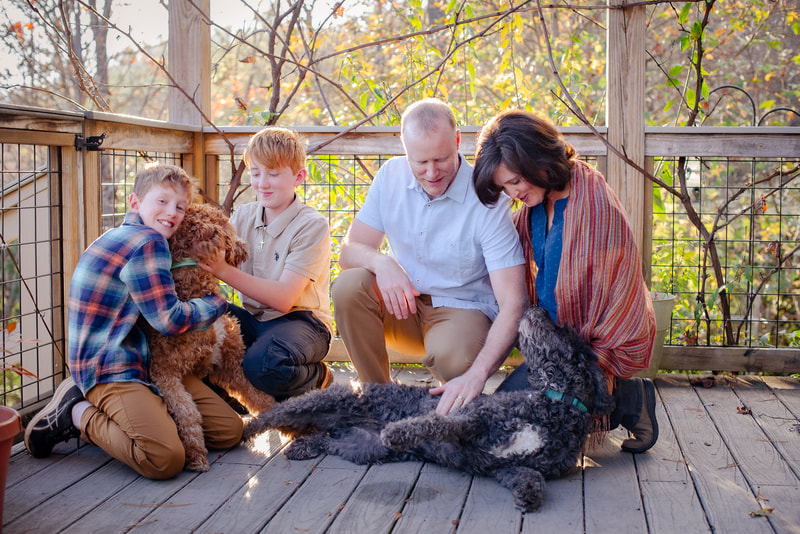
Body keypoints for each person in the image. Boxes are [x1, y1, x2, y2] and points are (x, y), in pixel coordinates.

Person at [24, 164, 241, 478]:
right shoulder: (147, 244)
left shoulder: (128, 235)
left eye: (181, 206)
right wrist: (217, 303)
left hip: (145, 360)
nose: (173, 212)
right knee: (164, 459)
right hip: (109, 366)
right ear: (135, 203)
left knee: (228, 431)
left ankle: (149, 417)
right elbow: (169, 320)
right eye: (162, 202)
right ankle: (74, 412)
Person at [472, 110, 659, 453]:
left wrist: (585, 368)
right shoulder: (535, 204)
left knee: (511, 429)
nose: (512, 193)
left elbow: (618, 300)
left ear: (538, 160)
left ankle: (626, 399)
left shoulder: (594, 207)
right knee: (496, 423)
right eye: (505, 186)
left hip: (588, 354)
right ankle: (623, 399)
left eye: (515, 181)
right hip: (552, 349)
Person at [332, 98, 527, 416]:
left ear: (457, 140)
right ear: (404, 147)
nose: (432, 172)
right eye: (420, 162)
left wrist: (476, 375)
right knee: (348, 285)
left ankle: (451, 398)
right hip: (404, 305)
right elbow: (349, 251)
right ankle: (378, 401)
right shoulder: (390, 176)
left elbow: (513, 302)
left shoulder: (488, 198)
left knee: (456, 360)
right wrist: (383, 263)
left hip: (462, 312)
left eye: (441, 159)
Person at [203, 127, 333, 401]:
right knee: (198, 324)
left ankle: (318, 377)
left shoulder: (312, 225)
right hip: (254, 319)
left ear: (299, 177)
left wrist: (222, 271)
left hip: (302, 322)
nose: (262, 183)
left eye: (273, 174)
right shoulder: (244, 215)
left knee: (263, 366)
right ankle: (229, 403)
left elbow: (284, 299)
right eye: (256, 173)